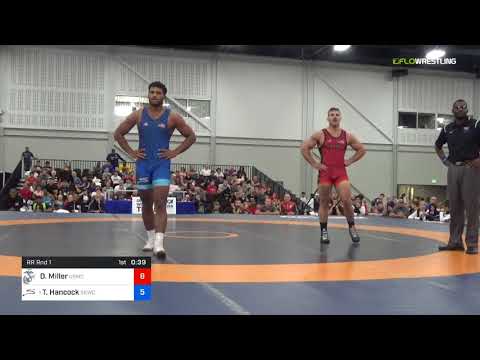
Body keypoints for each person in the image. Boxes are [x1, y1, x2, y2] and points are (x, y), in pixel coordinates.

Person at [114, 81, 196, 258]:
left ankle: (159, 243)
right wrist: (131, 152)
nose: (154, 95)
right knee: (145, 203)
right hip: (143, 164)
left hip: (161, 164)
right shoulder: (138, 115)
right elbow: (118, 133)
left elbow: (191, 136)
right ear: (148, 94)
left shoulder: (172, 117)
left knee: (160, 203)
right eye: (152, 92)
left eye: (158, 93)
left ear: (163, 96)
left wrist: (174, 152)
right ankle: (150, 238)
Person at [301, 107, 366, 245]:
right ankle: (323, 231)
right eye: (332, 115)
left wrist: (350, 160)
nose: (334, 117)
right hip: (325, 173)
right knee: (324, 202)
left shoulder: (347, 136)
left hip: (340, 172)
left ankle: (352, 226)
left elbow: (362, 149)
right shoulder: (321, 134)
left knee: (347, 200)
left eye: (337, 115)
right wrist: (314, 163)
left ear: (340, 117)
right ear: (328, 118)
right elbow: (304, 148)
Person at [435, 99, 480, 254]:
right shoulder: (448, 128)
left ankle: (472, 244)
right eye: (457, 107)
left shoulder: (476, 125)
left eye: (463, 107)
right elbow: (438, 146)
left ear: (467, 110)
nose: (460, 109)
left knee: (472, 207)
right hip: (453, 168)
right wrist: (445, 161)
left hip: (471, 168)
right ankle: (455, 242)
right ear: (452, 110)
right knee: (455, 207)